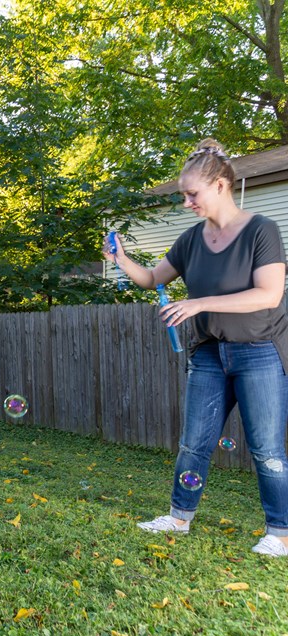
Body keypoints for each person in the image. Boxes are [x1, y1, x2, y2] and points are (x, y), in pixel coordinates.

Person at [105, 138, 288, 557]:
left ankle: (280, 534)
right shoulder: (191, 239)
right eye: (184, 195)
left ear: (221, 185)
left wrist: (200, 302)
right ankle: (178, 516)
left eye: (192, 194)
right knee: (194, 442)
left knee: (266, 448)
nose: (187, 202)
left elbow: (268, 294)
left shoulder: (262, 230)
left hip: (260, 350)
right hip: (208, 351)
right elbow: (154, 279)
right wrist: (123, 260)